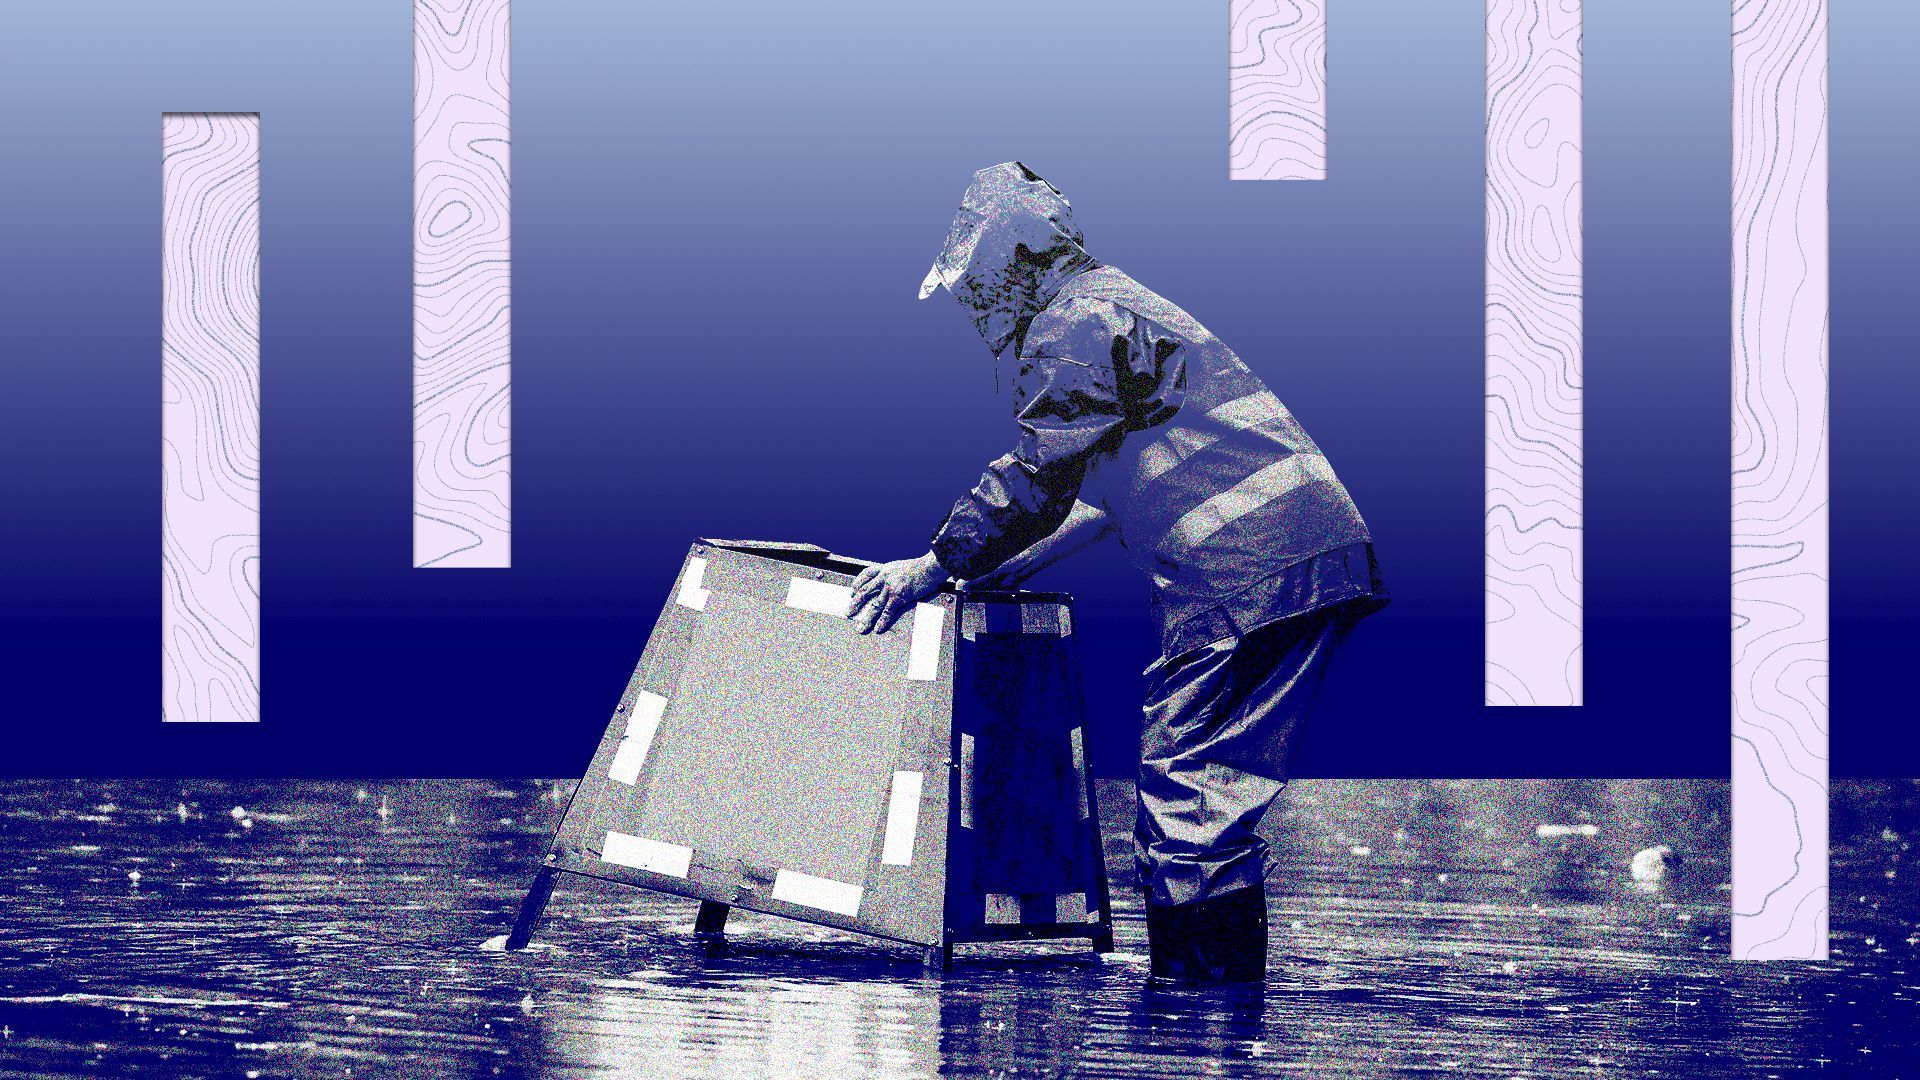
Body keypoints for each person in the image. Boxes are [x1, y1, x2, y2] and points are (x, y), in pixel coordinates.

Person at [847, 162, 1387, 984]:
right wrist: (978, 574)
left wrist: (932, 565)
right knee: (1213, 792)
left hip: (1246, 574)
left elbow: (1036, 477)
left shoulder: (1073, 322)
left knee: (1187, 793)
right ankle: (1226, 1021)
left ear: (1009, 260)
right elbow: (1095, 504)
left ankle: (1198, 1023)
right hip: (1300, 559)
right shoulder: (1117, 306)